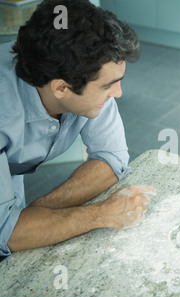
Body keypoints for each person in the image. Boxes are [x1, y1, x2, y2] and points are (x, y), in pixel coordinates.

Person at [0, 0, 156, 260]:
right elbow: (7, 233)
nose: (118, 93)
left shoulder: (82, 69)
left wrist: (34, 215)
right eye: (108, 86)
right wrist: (101, 214)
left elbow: (112, 158)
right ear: (60, 88)